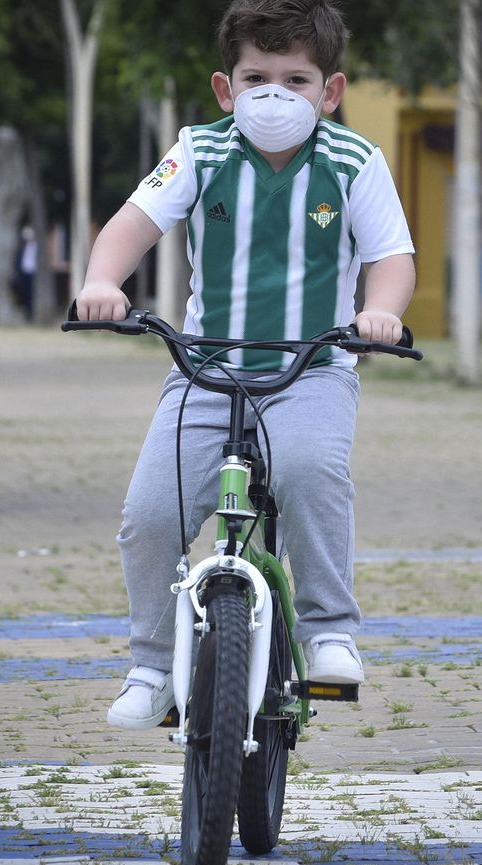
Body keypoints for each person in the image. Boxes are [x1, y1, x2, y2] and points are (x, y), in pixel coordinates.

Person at [72, 0, 416, 729]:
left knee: (308, 473)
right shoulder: (199, 151)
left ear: (331, 91)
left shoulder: (355, 161)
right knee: (149, 513)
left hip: (313, 372)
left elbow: (391, 257)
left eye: (296, 79)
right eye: (256, 76)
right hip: (204, 373)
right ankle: (152, 666)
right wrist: (105, 280)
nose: (275, 94)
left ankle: (329, 633)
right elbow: (132, 226)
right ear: (226, 89)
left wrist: (379, 311)